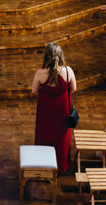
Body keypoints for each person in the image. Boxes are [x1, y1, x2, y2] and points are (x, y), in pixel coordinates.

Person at [31, 43, 76, 174]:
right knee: (61, 134)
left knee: (44, 131)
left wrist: (46, 95)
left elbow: (34, 91)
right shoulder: (68, 71)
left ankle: (43, 162)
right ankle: (61, 164)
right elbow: (73, 89)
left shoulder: (40, 73)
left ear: (46, 57)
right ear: (61, 56)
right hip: (62, 106)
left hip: (45, 106)